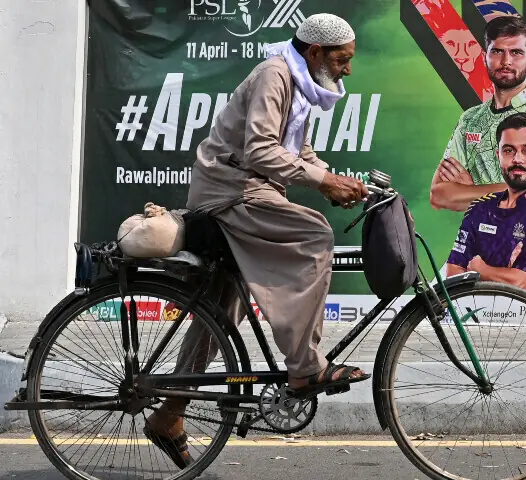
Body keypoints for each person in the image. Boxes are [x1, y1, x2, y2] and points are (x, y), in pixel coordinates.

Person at [143, 14, 369, 468]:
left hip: (247, 187)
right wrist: (323, 183)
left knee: (219, 313)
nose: (347, 70)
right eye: (342, 60)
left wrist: (335, 178)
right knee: (315, 234)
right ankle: (305, 366)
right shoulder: (275, 75)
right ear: (316, 53)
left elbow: (296, 152)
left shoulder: (298, 81)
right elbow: (260, 151)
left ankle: (170, 414)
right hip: (231, 190)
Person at [430, 15, 526, 212]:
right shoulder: (470, 120)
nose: (506, 61)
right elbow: (439, 195)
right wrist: (509, 191)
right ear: (485, 56)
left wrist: (471, 191)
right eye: (497, 51)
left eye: (516, 53)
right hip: (477, 240)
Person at [446, 113, 526, 291]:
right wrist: (502, 274)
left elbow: (521, 283)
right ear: (498, 155)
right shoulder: (480, 207)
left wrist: (479, 269)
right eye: (509, 150)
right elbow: (453, 273)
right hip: (471, 315)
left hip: (521, 317)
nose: (517, 159)